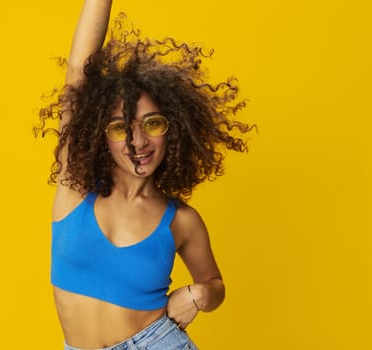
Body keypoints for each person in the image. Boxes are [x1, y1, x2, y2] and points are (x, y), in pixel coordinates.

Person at [37, 0, 253, 349]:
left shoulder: (181, 220)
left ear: (174, 129)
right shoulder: (73, 184)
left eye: (152, 123)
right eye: (122, 127)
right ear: (100, 133)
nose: (138, 141)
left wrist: (199, 295)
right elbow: (79, 67)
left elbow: (215, 285)